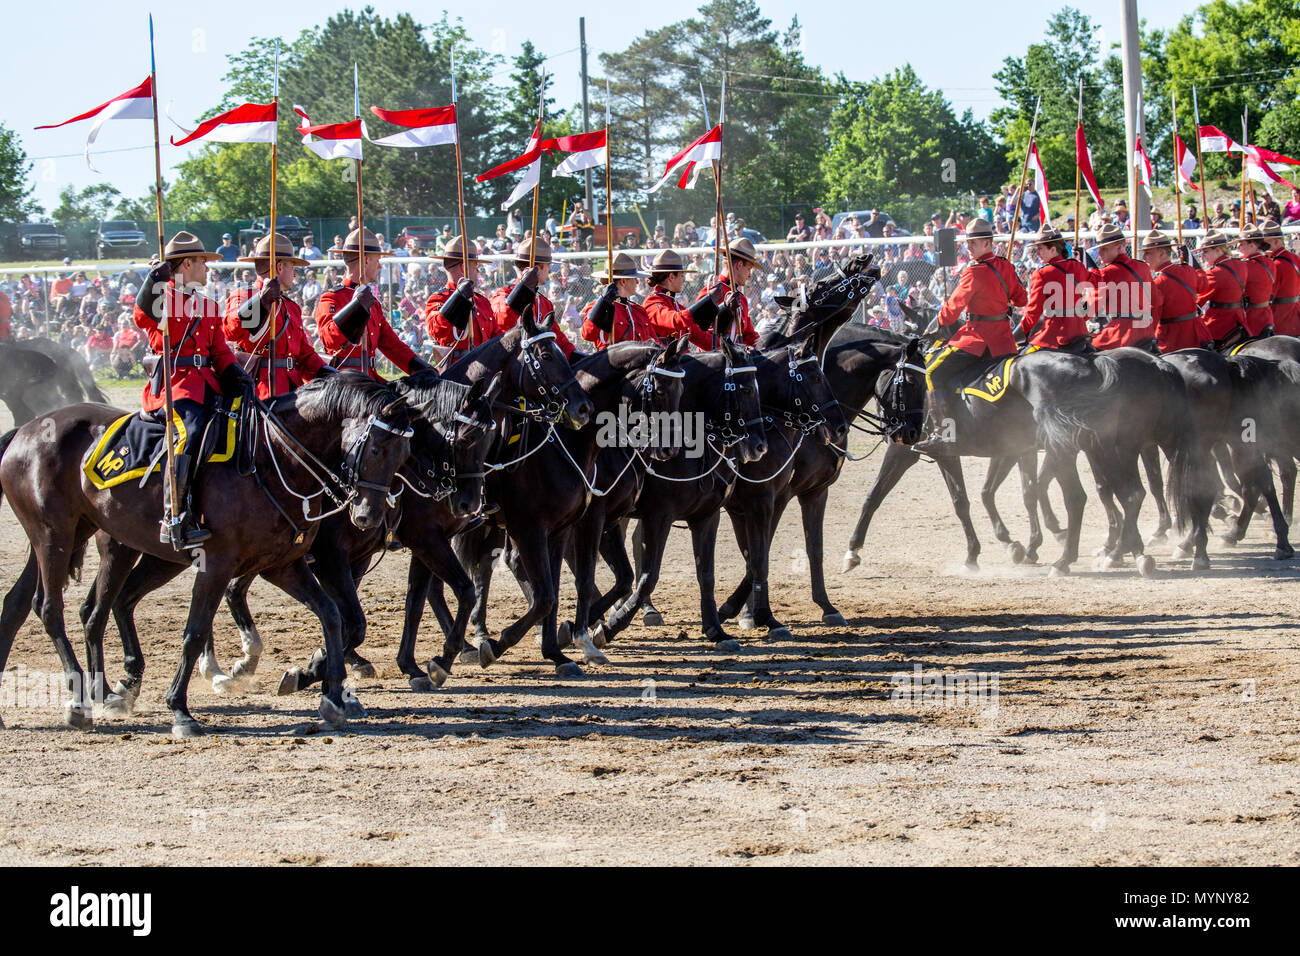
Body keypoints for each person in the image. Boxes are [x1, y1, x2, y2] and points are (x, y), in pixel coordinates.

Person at [131, 231, 253, 550]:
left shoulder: (207, 304)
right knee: (193, 431)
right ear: (187, 263)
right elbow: (142, 317)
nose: (208, 268)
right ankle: (176, 516)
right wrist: (152, 283)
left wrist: (234, 372)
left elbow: (219, 350)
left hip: (207, 384)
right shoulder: (163, 298)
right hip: (175, 387)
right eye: (202, 262)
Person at [915, 218, 1027, 452]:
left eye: (974, 242)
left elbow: (954, 306)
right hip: (1004, 341)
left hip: (977, 340)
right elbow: (1021, 300)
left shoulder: (973, 271)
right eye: (968, 242)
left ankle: (942, 434)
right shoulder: (1005, 265)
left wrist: (937, 323)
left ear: (988, 242)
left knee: (933, 372)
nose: (969, 247)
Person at [223, 233, 328, 401]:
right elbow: (231, 330)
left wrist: (329, 373)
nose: (295, 274)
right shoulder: (245, 295)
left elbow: (305, 355)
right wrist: (261, 302)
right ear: (279, 268)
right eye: (292, 267)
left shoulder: (291, 307)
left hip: (293, 390)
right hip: (259, 390)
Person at [316, 228, 430, 378]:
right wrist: (355, 308)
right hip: (345, 382)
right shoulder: (332, 298)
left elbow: (392, 345)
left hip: (370, 378)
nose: (380, 266)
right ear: (366, 261)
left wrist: (421, 368)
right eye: (377, 260)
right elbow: (329, 340)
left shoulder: (373, 304)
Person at [489, 235, 576, 359]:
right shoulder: (503, 295)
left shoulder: (545, 303)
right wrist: (524, 289)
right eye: (547, 266)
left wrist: (575, 356)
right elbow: (503, 323)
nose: (550, 271)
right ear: (536, 269)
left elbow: (557, 338)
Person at [1018, 225, 1091, 352]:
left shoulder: (1041, 274)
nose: (1038, 253)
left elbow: (1033, 313)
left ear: (1053, 250)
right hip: (1080, 332)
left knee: (1019, 358)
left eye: (1040, 249)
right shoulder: (1077, 266)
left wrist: (1017, 335)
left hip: (1055, 335)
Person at [425, 235, 500, 355]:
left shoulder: (482, 301)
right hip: (458, 370)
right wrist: (458, 300)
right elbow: (436, 331)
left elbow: (498, 337)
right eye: (476, 267)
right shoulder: (439, 299)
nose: (477, 272)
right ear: (463, 268)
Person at [1089, 222, 1157, 353]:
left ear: (1119, 247)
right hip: (1146, 331)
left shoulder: (1108, 272)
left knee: (1085, 356)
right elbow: (1155, 299)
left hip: (1122, 333)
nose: (1100, 254)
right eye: (1099, 249)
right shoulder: (1142, 267)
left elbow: (1091, 304)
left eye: (1105, 249)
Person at [1140, 230, 1209, 353]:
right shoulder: (1188, 269)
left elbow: (1153, 319)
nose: (1143, 257)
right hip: (1197, 335)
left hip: (1171, 341)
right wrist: (1192, 263)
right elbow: (1204, 285)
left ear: (1161, 253)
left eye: (1147, 253)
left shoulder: (1157, 283)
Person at [642, 248, 724, 350]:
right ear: (671, 277)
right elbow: (676, 320)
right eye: (681, 276)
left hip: (680, 361)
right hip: (664, 362)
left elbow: (702, 338)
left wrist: (730, 347)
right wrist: (708, 300)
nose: (683, 280)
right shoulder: (652, 303)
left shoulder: (675, 305)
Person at [695, 236, 762, 346]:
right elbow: (698, 330)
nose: (750, 275)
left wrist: (770, 344)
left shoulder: (741, 298)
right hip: (713, 359)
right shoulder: (712, 291)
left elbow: (749, 336)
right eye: (749, 269)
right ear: (739, 265)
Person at [582, 253, 656, 347]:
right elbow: (587, 334)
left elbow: (655, 343)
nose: (637, 282)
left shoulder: (638, 311)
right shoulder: (599, 307)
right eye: (634, 278)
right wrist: (602, 302)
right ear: (623, 281)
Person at [1195, 230, 1250, 350]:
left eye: (1205, 252)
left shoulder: (1215, 273)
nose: (1203, 256)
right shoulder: (1241, 265)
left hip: (1219, 323)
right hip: (1239, 319)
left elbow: (1198, 300)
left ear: (1218, 250)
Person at [1234, 224, 1275, 338]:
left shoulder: (1245, 265)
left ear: (1252, 246)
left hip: (1251, 318)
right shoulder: (1270, 262)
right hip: (1267, 315)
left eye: (1241, 244)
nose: (1238, 248)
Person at [1261, 219, 1300, 336]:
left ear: (1277, 242)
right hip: (1295, 312)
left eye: (1265, 244)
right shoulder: (1294, 257)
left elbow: (1269, 295)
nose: (1262, 248)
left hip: (1280, 316)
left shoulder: (1275, 264)